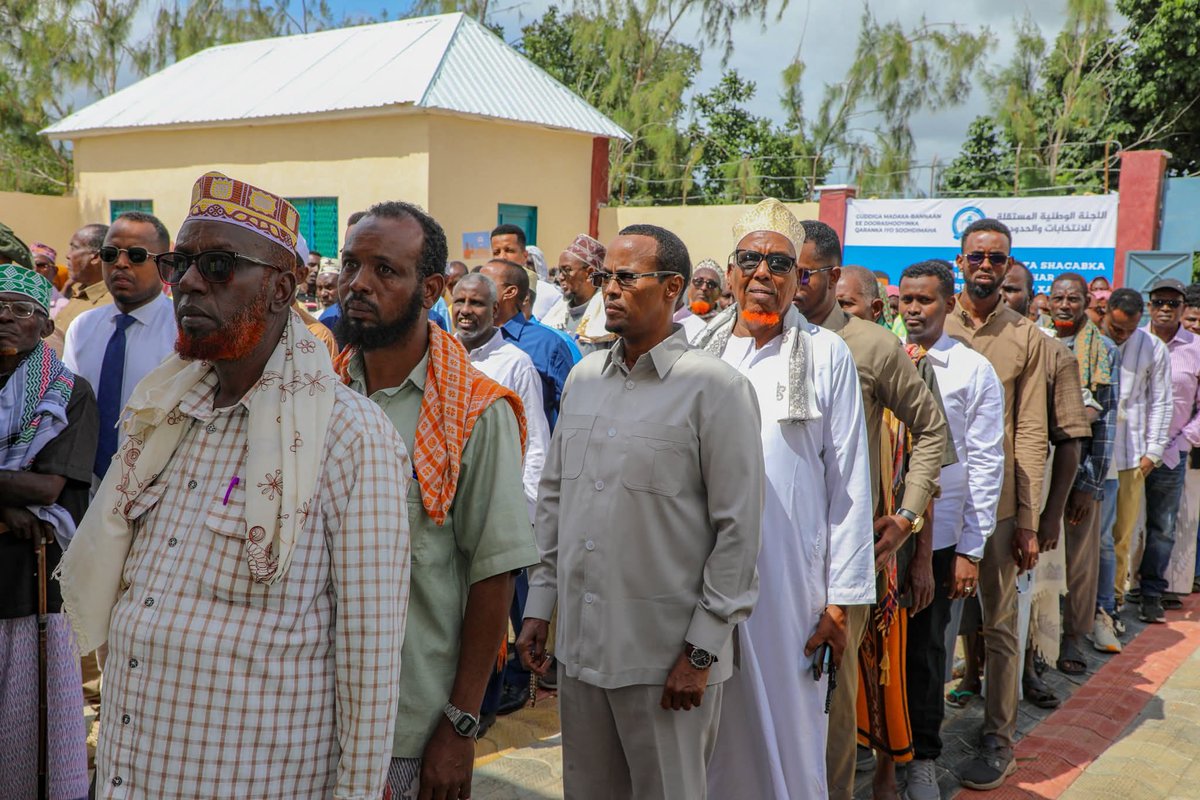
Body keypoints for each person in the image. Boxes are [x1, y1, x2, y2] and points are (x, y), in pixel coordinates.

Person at [57, 172, 412, 799]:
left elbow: (371, 658)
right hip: (134, 773)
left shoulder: (348, 436)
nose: (190, 282)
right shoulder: (163, 412)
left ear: (280, 289)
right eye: (181, 264)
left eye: (218, 265)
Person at [518, 224, 765, 800]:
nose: (609, 289)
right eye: (605, 276)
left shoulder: (715, 388)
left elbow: (739, 531)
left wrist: (701, 650)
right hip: (580, 651)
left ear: (672, 287)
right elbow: (554, 502)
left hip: (666, 661)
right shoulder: (583, 380)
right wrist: (539, 607)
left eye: (626, 278)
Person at [334, 201, 537, 799]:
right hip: (307, 704)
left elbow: (493, 574)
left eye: (384, 270)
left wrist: (459, 724)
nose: (358, 284)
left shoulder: (476, 411)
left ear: (430, 290)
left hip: (410, 722)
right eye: (351, 265)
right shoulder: (320, 392)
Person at [696, 200, 873, 798]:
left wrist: (841, 602)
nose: (763, 273)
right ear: (730, 271)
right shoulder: (694, 348)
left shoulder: (825, 354)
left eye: (779, 264)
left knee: (789, 728)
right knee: (704, 723)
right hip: (700, 574)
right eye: (751, 259)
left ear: (799, 280)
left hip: (790, 584)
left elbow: (850, 486)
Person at [793, 220, 951, 800]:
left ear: (832, 275)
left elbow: (932, 432)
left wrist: (907, 517)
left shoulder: (873, 345)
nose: (781, 281)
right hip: (767, 550)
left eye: (799, 272)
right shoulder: (757, 338)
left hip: (841, 553)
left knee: (828, 697)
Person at [942, 218, 1048, 790]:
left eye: (997, 258)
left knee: (1000, 624)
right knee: (931, 618)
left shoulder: (1027, 337)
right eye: (977, 256)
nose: (986, 265)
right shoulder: (933, 318)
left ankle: (998, 738)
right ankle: (912, 734)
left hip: (999, 505)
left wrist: (1027, 521)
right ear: (960, 260)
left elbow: (1031, 431)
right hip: (934, 500)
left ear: (1008, 266)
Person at [896, 260, 1004, 800]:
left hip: (938, 541)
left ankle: (921, 758)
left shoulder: (971, 370)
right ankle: (877, 743)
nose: (914, 310)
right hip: (884, 532)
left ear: (948, 303)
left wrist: (970, 549)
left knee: (926, 652)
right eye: (907, 300)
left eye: (925, 300)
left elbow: (985, 463)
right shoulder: (885, 356)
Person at [0, 264, 98, 800]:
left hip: (29, 579)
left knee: (29, 735)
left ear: (44, 325)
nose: (5, 317)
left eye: (21, 309)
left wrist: (16, 501)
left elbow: (47, 487)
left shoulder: (67, 393)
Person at [64, 211, 177, 483]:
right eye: (110, 254)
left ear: (165, 267)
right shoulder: (82, 328)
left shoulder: (182, 331)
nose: (121, 263)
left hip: (156, 483)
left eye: (136, 255)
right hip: (85, 485)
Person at [1046, 273, 1119, 672]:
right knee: (1041, 561)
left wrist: (1089, 485)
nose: (1065, 305)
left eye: (1073, 298)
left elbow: (1105, 424)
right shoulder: (1038, 338)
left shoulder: (1103, 349)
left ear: (1086, 301)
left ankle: (1073, 637)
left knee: (1079, 563)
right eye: (1058, 297)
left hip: (1083, 470)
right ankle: (1037, 641)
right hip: (1041, 468)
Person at [1098, 288, 1172, 634]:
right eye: (1117, 328)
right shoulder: (1091, 342)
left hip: (1129, 455)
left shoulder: (1152, 347)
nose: (1122, 336)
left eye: (1129, 330)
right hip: (1092, 453)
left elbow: (1162, 401)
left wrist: (1153, 452)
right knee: (1088, 537)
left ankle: (1112, 602)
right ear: (1106, 312)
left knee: (1120, 536)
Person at [1138, 277, 1200, 621]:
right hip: (1130, 450)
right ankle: (1118, 591)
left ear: (1183, 308)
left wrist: (1184, 441)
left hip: (1172, 452)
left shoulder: (1196, 347)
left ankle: (1151, 591)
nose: (1165, 309)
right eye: (1159, 302)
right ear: (1149, 306)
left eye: (1173, 304)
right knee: (1120, 525)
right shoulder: (1135, 340)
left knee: (1162, 526)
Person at [479, 257, 577, 428]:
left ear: (510, 292)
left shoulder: (548, 344)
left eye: (484, 283)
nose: (475, 288)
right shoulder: (468, 340)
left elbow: (570, 410)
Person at [540, 234, 615, 353]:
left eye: (567, 270)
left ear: (589, 273)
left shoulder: (607, 316)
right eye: (560, 271)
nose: (560, 277)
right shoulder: (556, 314)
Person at [490, 224, 562, 320]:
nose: (502, 257)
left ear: (525, 255)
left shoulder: (548, 294)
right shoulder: (486, 293)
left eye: (509, 251)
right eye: (496, 252)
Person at [57, 223, 111, 332]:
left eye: (74, 248)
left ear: (96, 257)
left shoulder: (110, 306)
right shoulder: (78, 292)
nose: (68, 255)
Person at [31, 243, 69, 317]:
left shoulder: (64, 307)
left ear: (54, 271)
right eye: (29, 265)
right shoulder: (14, 299)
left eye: (41, 265)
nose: (34, 270)